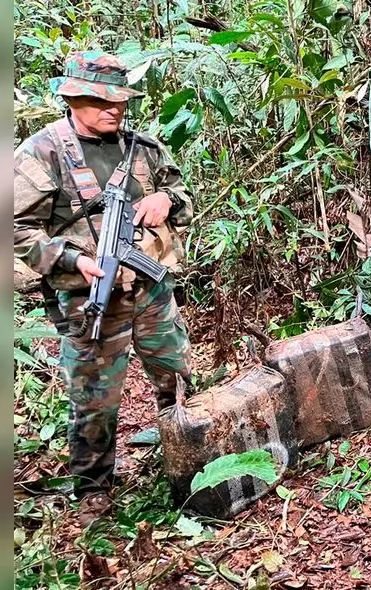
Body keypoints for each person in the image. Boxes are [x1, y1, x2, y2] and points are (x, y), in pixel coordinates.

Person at [14, 51, 194, 525]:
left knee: (176, 377)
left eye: (119, 100)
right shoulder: (42, 153)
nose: (113, 109)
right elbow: (16, 228)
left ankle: (189, 461)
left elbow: (184, 198)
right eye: (100, 100)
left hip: (151, 292)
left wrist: (165, 199)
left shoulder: (144, 148)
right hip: (88, 301)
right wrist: (74, 259)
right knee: (93, 401)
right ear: (72, 98)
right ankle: (94, 491)